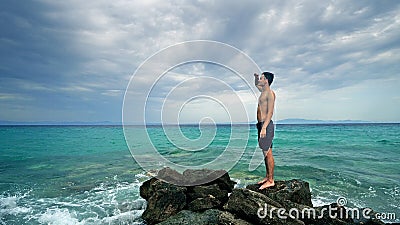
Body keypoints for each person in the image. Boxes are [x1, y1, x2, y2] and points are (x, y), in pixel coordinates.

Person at [254, 72, 276, 189]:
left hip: (266, 126)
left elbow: (270, 113)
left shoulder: (270, 94)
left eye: (262, 78)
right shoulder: (263, 92)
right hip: (261, 125)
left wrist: (263, 128)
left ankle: (271, 180)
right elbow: (256, 84)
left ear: (266, 80)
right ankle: (267, 177)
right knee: (264, 152)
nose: (260, 81)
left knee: (268, 153)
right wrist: (256, 78)